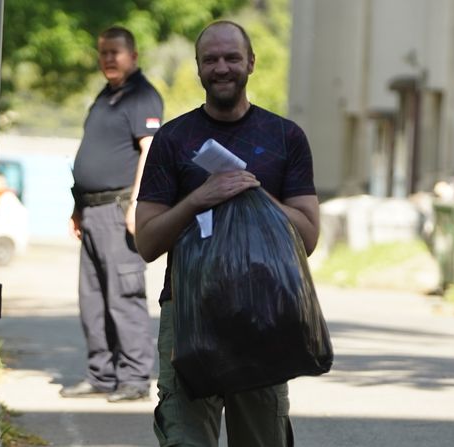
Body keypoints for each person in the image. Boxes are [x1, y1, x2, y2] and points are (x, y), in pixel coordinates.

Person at [135, 20, 320, 446]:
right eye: (211, 59)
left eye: (232, 58)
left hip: (265, 313)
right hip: (188, 313)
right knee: (185, 439)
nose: (222, 68)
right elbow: (146, 243)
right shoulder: (172, 139)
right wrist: (199, 198)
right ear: (199, 67)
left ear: (251, 63)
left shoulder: (285, 137)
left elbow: (308, 238)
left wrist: (253, 191)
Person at [60, 26, 162, 403]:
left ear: (133, 56)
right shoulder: (107, 96)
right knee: (92, 298)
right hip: (91, 211)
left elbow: (150, 151)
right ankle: (101, 374)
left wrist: (138, 203)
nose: (108, 58)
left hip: (120, 211)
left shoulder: (142, 96)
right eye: (103, 52)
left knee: (124, 294)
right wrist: (77, 207)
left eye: (115, 52)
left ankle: (134, 378)